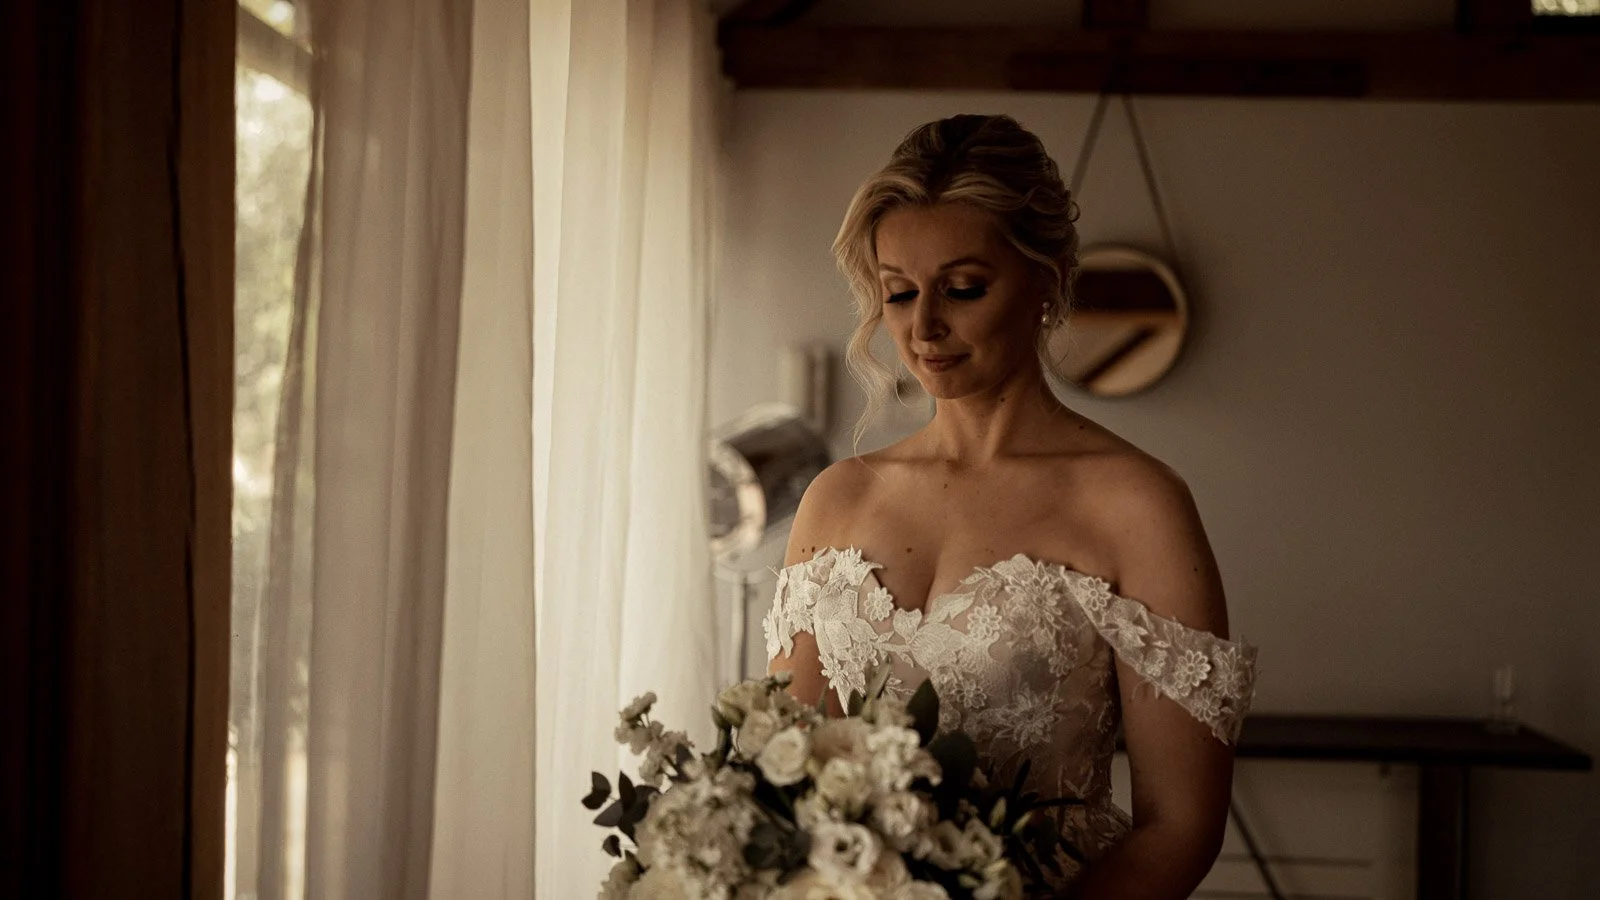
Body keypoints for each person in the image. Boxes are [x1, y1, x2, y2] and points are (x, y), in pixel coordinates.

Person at [764, 114, 1259, 898]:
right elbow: (782, 784)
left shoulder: (1137, 504)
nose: (923, 327)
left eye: (962, 289)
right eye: (898, 292)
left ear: (1047, 280)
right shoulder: (837, 499)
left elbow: (1181, 828)